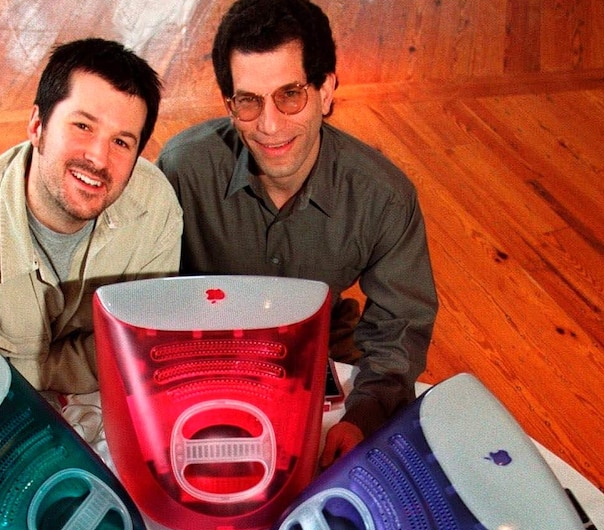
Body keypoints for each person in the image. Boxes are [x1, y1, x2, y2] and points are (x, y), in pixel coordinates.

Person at [156, 0, 438, 467]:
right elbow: (148, 297)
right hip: (204, 356)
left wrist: (363, 417)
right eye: (249, 101)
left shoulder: (383, 196)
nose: (269, 126)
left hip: (320, 345)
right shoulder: (183, 169)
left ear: (326, 90)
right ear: (230, 105)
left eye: (290, 95)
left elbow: (398, 329)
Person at [0, 38, 183, 440]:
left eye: (122, 142)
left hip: (108, 399)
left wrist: (23, 366)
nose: (99, 159)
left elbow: (141, 348)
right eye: (83, 126)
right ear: (37, 126)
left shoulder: (154, 208)